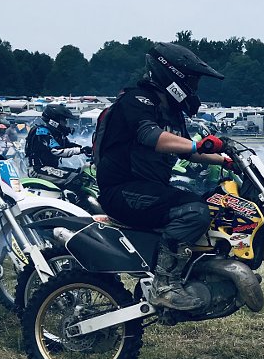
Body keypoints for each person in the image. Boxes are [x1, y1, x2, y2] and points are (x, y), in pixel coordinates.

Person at [94, 42, 227, 311]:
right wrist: (197, 146)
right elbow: (150, 136)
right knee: (193, 211)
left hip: (148, 189)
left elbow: (189, 152)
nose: (194, 87)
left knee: (215, 202)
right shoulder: (136, 100)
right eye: (191, 80)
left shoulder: (172, 111)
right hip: (123, 190)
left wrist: (227, 160)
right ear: (173, 76)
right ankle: (165, 285)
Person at [24, 104, 90, 183]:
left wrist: (87, 149)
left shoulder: (56, 134)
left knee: (82, 174)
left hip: (51, 167)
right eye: (64, 120)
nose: (66, 123)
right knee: (76, 179)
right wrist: (80, 150)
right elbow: (56, 150)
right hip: (38, 169)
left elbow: (68, 145)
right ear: (55, 121)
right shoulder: (42, 131)